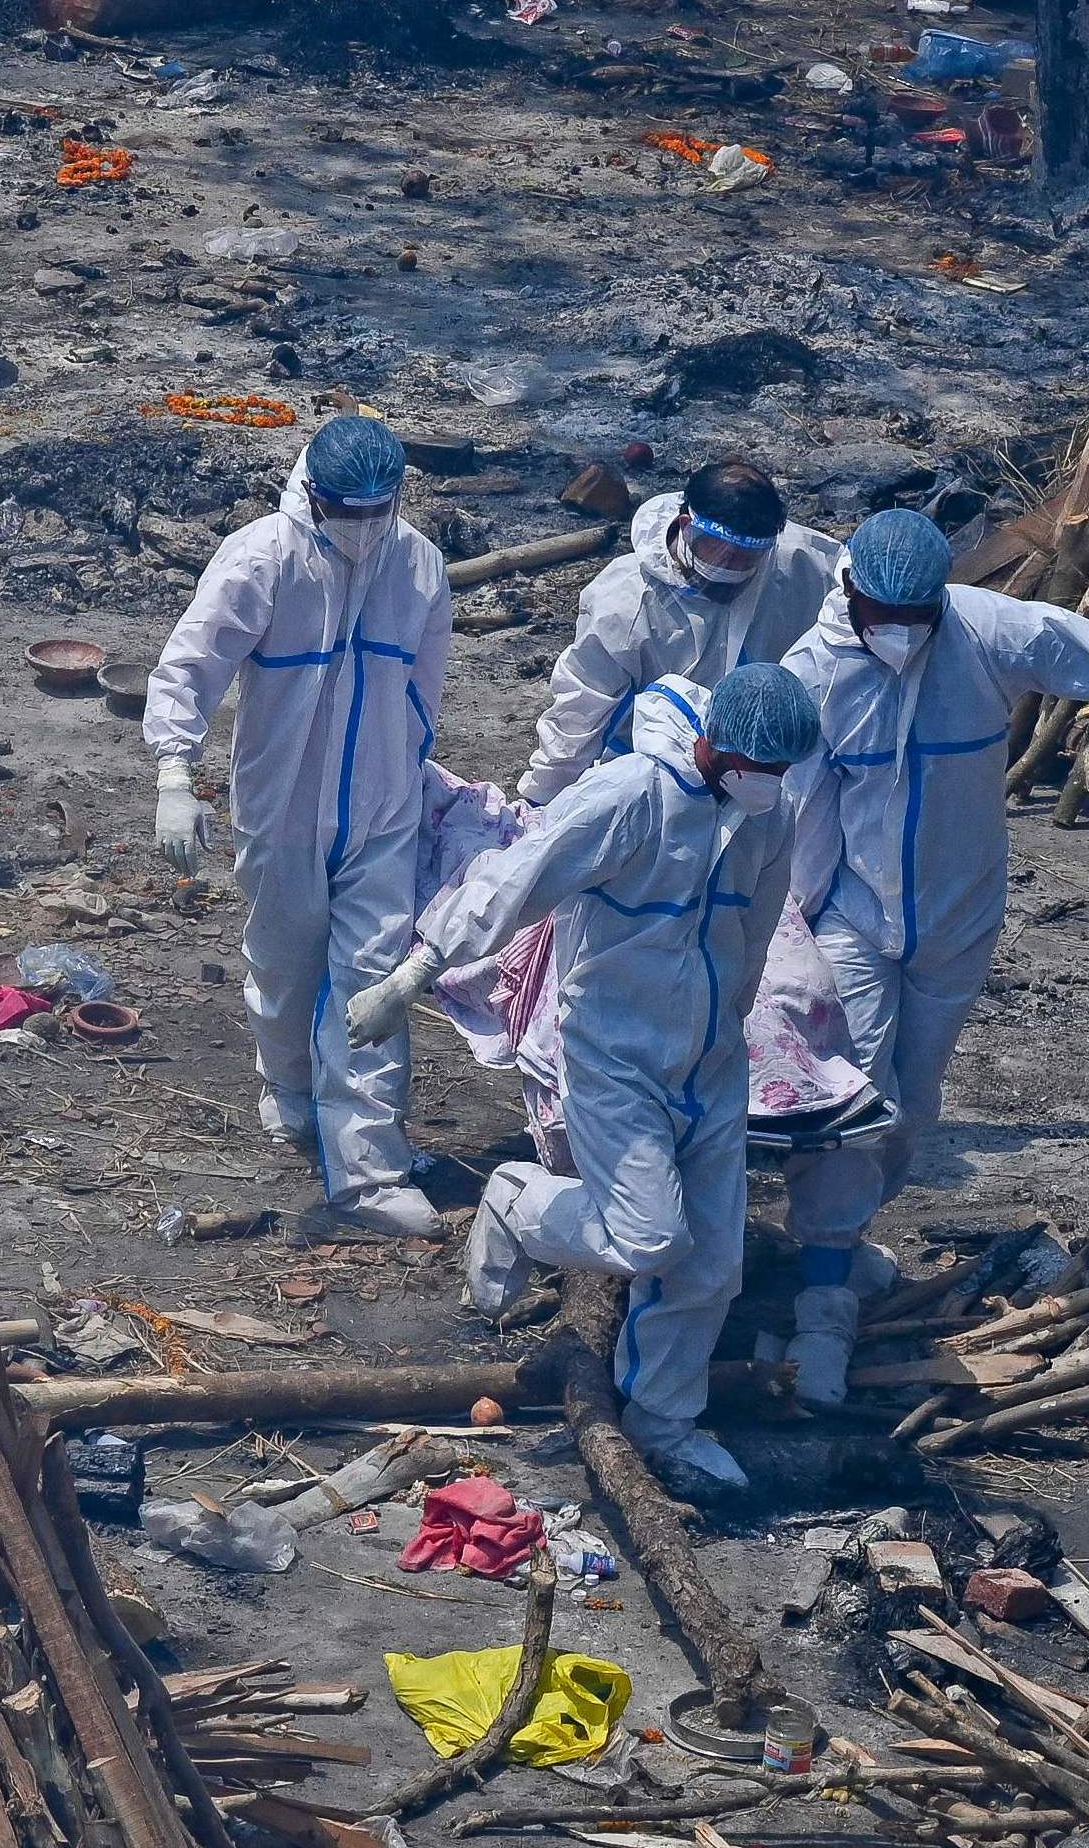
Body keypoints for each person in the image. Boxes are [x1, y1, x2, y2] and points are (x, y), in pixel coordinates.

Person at [775, 509, 1089, 1402]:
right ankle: (821, 1300)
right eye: (882, 613)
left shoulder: (986, 631)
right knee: (851, 1097)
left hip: (959, 916)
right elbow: (793, 819)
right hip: (852, 915)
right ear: (849, 592)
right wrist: (783, 932)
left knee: (912, 1105)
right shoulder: (815, 672)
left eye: (912, 617)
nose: (898, 634)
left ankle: (834, 1241)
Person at [348, 662, 825, 1492]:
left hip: (710, 1058)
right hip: (615, 1055)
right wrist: (414, 972)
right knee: (648, 1240)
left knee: (712, 1266)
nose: (773, 784)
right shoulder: (631, 795)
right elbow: (515, 878)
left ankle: (660, 1424)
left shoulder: (763, 814)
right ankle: (517, 1201)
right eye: (763, 767)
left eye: (783, 772)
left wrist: (736, 1035)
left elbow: (754, 931)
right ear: (718, 744)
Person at [147, 414, 456, 1237]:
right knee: (286, 959)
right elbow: (192, 663)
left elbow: (425, 688)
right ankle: (286, 1087)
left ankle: (367, 1171)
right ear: (313, 494)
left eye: (375, 511)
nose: (360, 528)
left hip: (383, 804)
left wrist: (415, 774)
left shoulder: (418, 563)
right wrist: (176, 771)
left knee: (371, 976)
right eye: (344, 510)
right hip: (282, 803)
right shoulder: (261, 558)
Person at [516, 459, 841, 811]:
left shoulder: (800, 563)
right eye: (723, 552)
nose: (733, 569)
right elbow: (581, 711)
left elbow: (860, 598)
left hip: (768, 774)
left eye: (749, 557)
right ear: (687, 526)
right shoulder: (625, 603)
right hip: (657, 783)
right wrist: (543, 799)